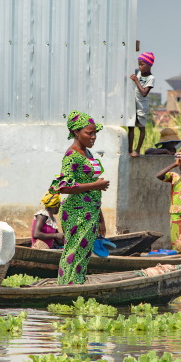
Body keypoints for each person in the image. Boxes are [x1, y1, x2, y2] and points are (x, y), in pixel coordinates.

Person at [49, 110, 110, 284]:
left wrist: (100, 218)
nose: (93, 137)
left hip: (91, 210)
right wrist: (95, 185)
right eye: (89, 133)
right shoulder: (71, 155)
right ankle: (66, 286)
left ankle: (77, 283)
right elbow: (63, 186)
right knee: (73, 251)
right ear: (76, 133)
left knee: (84, 253)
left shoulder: (88, 153)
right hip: (77, 211)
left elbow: (92, 190)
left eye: (94, 133)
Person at [128, 52, 155, 157]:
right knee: (131, 126)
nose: (140, 67)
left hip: (142, 106)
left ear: (149, 65)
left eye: (142, 65)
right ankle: (129, 150)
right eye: (139, 64)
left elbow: (144, 93)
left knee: (141, 127)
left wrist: (136, 81)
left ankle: (137, 150)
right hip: (133, 104)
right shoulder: (138, 73)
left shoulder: (151, 78)